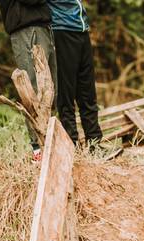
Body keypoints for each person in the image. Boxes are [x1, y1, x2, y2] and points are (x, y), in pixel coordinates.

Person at [0, 0, 58, 163]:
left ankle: (52, 143)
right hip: (25, 28)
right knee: (33, 90)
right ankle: (38, 149)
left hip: (43, 26)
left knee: (51, 89)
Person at [46, 1, 107, 151]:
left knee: (88, 93)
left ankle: (95, 144)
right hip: (62, 30)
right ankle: (72, 146)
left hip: (82, 29)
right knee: (66, 94)